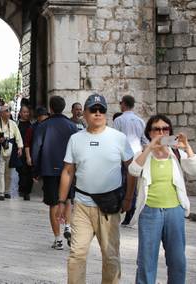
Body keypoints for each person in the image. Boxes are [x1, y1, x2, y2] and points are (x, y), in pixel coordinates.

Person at [57, 93, 135, 284]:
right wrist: (61, 201)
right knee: (76, 254)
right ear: (84, 113)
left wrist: (128, 199)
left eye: (102, 110)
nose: (98, 113)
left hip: (109, 206)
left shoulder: (118, 138)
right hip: (82, 205)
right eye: (93, 109)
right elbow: (68, 171)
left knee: (110, 256)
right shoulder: (75, 139)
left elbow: (132, 170)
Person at [128, 114, 196, 284]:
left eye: (165, 129)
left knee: (177, 260)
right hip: (150, 211)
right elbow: (133, 170)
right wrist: (149, 148)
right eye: (156, 129)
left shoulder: (176, 153)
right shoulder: (142, 153)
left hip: (175, 211)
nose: (161, 132)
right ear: (149, 132)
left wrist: (187, 147)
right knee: (146, 261)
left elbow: (194, 170)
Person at [31, 97, 77, 250]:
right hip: (68, 169)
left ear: (50, 107)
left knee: (53, 203)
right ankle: (68, 227)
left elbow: (36, 148)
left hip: (50, 169)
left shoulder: (43, 126)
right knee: (68, 199)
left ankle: (58, 239)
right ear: (64, 107)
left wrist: (36, 170)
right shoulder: (72, 126)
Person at [114, 95, 149, 225]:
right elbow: (145, 140)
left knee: (124, 183)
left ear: (123, 104)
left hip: (124, 156)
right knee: (134, 185)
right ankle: (131, 211)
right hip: (137, 155)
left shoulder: (119, 120)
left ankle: (125, 209)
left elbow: (115, 140)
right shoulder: (140, 121)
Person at [0, 105, 23, 200]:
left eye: (9, 111)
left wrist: (20, 147)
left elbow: (18, 136)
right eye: (6, 111)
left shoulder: (13, 124)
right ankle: (0, 192)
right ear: (1, 113)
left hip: (11, 148)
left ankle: (7, 191)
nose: (8, 113)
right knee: (0, 171)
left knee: (9, 172)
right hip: (0, 148)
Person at [23, 107, 49, 199]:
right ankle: (26, 193)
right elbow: (27, 143)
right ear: (38, 117)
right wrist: (28, 157)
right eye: (43, 117)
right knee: (29, 175)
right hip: (34, 155)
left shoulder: (49, 127)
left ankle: (46, 193)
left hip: (45, 155)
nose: (45, 118)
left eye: (46, 116)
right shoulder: (32, 128)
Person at [16, 105, 33, 200]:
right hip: (20, 151)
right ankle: (22, 189)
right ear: (20, 113)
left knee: (28, 172)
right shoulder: (16, 125)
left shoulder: (31, 125)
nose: (26, 114)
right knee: (21, 171)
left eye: (27, 112)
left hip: (29, 151)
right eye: (24, 112)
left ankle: (27, 191)